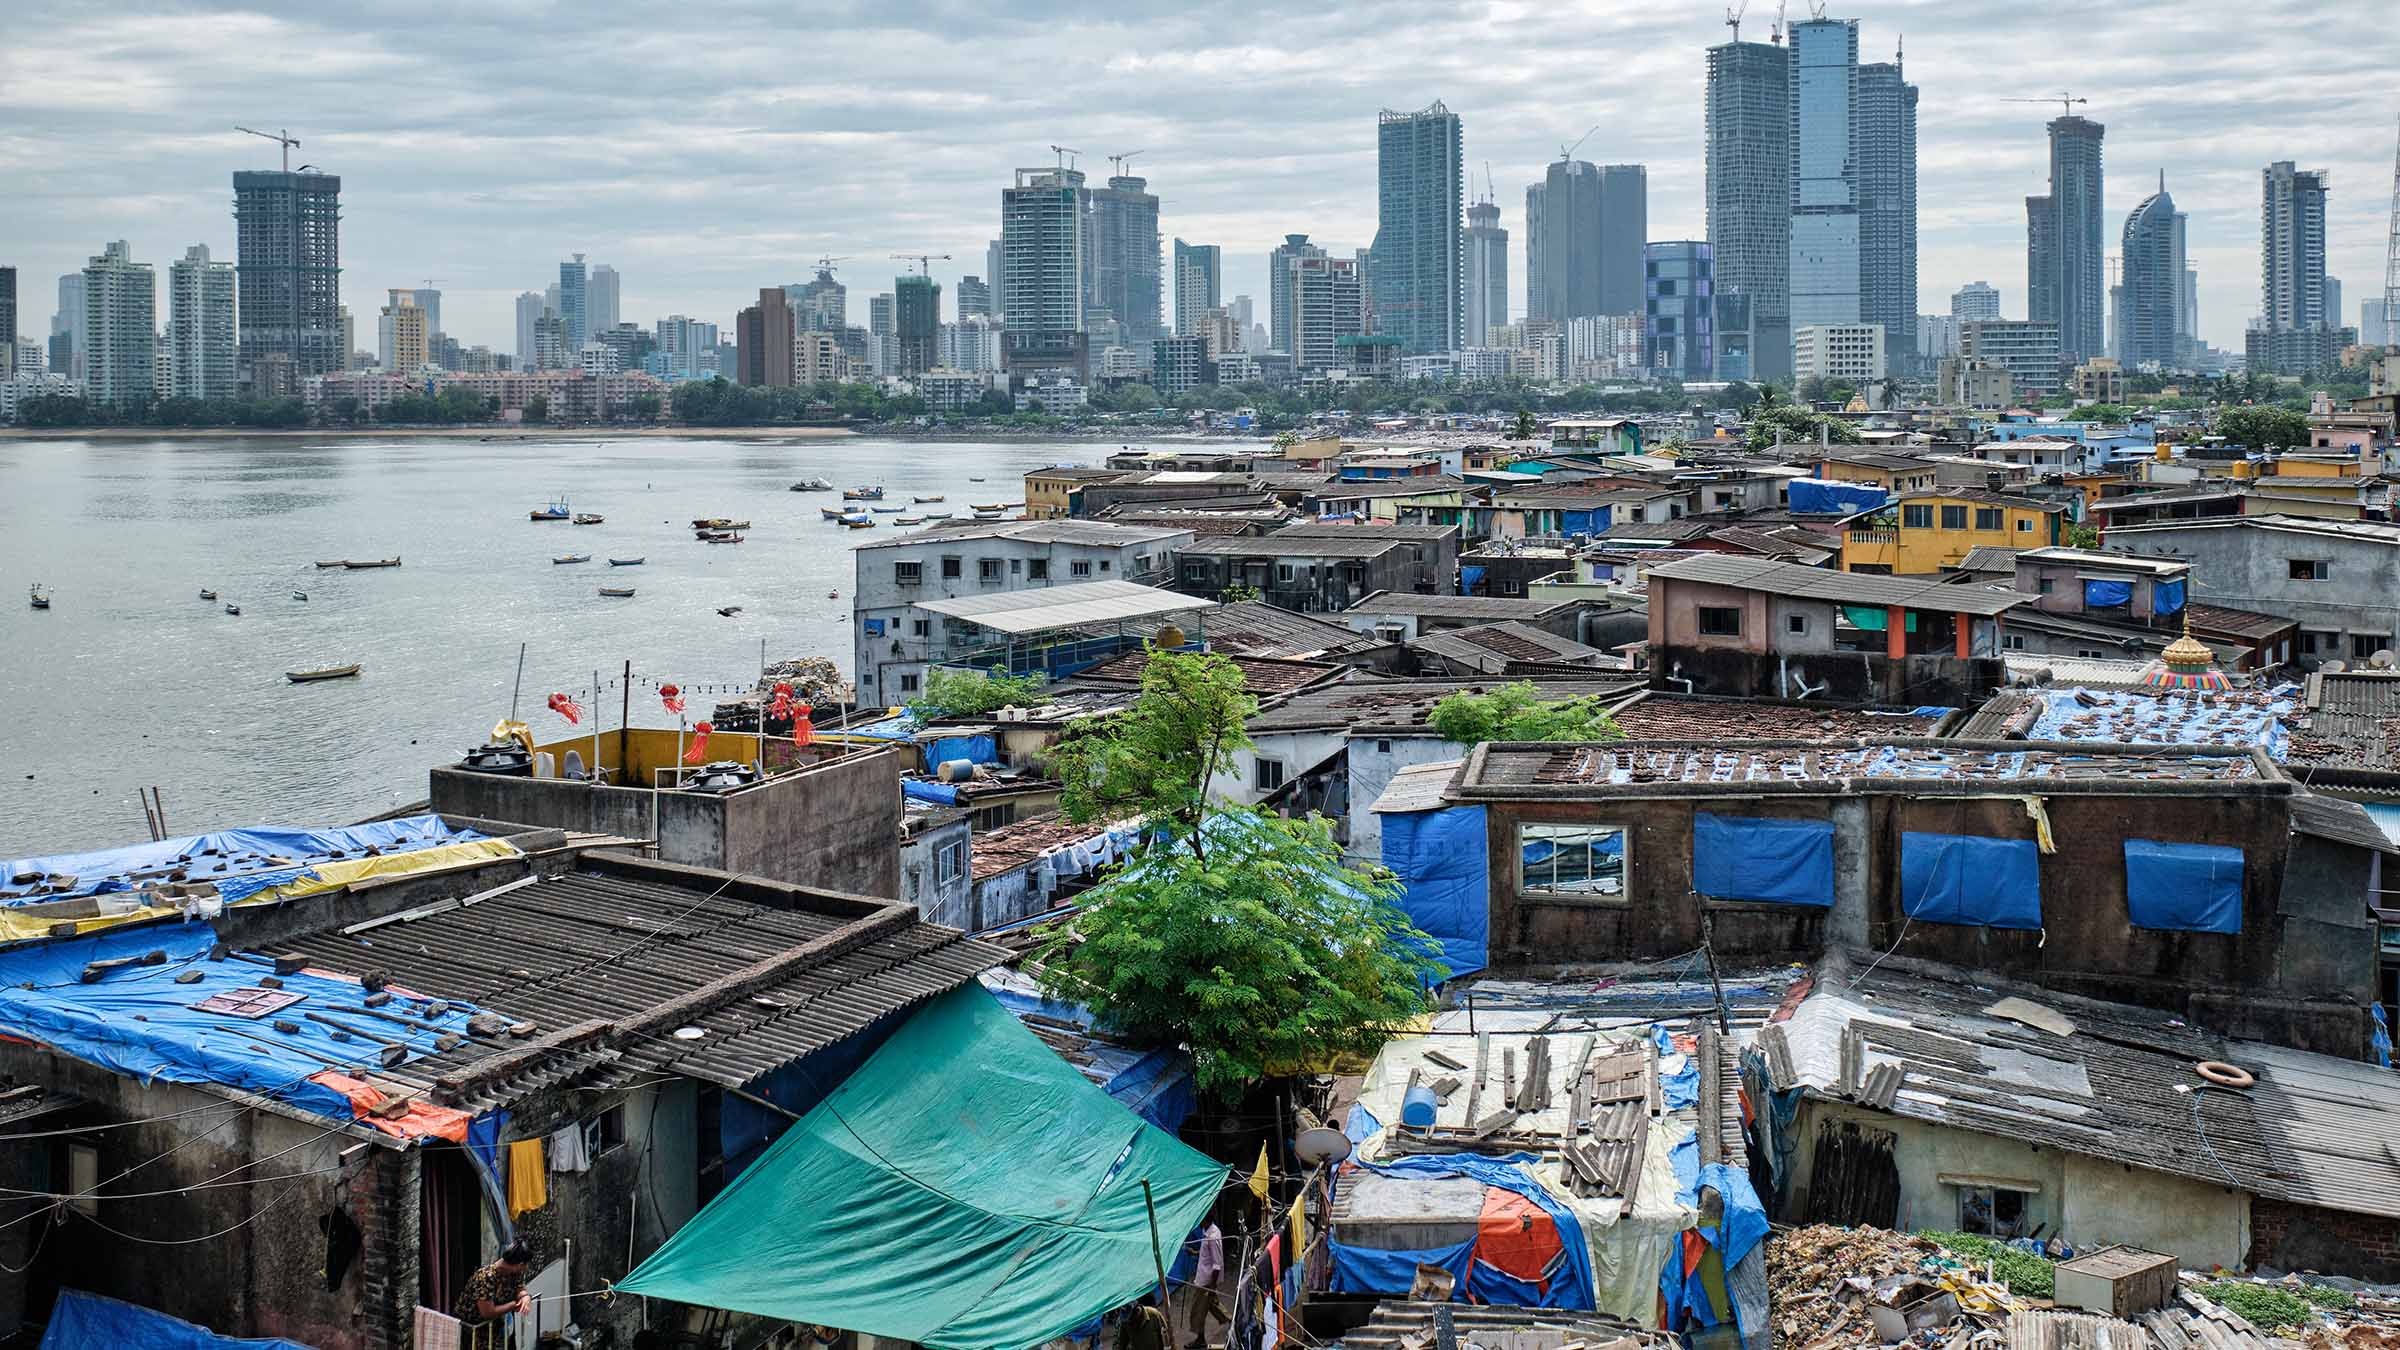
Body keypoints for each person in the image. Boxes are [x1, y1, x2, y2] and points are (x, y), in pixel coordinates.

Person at [454, 1241, 534, 1327]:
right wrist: (514, 1304)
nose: (527, 1268)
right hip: (470, 1329)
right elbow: (488, 1312)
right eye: (527, 1264)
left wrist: (525, 1297)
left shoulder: (515, 1271)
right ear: (520, 1264)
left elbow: (520, 1288)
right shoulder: (486, 1277)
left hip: (493, 1327)